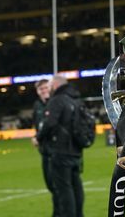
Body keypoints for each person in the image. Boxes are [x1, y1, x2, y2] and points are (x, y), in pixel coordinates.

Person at [36, 74, 85, 217]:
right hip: (76, 151)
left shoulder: (57, 100)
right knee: (76, 187)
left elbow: (49, 123)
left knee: (64, 190)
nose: (49, 89)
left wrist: (38, 138)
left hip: (61, 151)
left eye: (50, 86)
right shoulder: (75, 99)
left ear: (56, 85)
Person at [32, 79, 58, 217]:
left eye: (45, 88)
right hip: (45, 151)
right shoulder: (37, 106)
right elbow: (38, 125)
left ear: (50, 88)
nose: (44, 91)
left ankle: (58, 213)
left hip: (58, 151)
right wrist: (37, 137)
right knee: (50, 185)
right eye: (41, 89)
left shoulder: (56, 103)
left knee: (58, 186)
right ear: (37, 92)